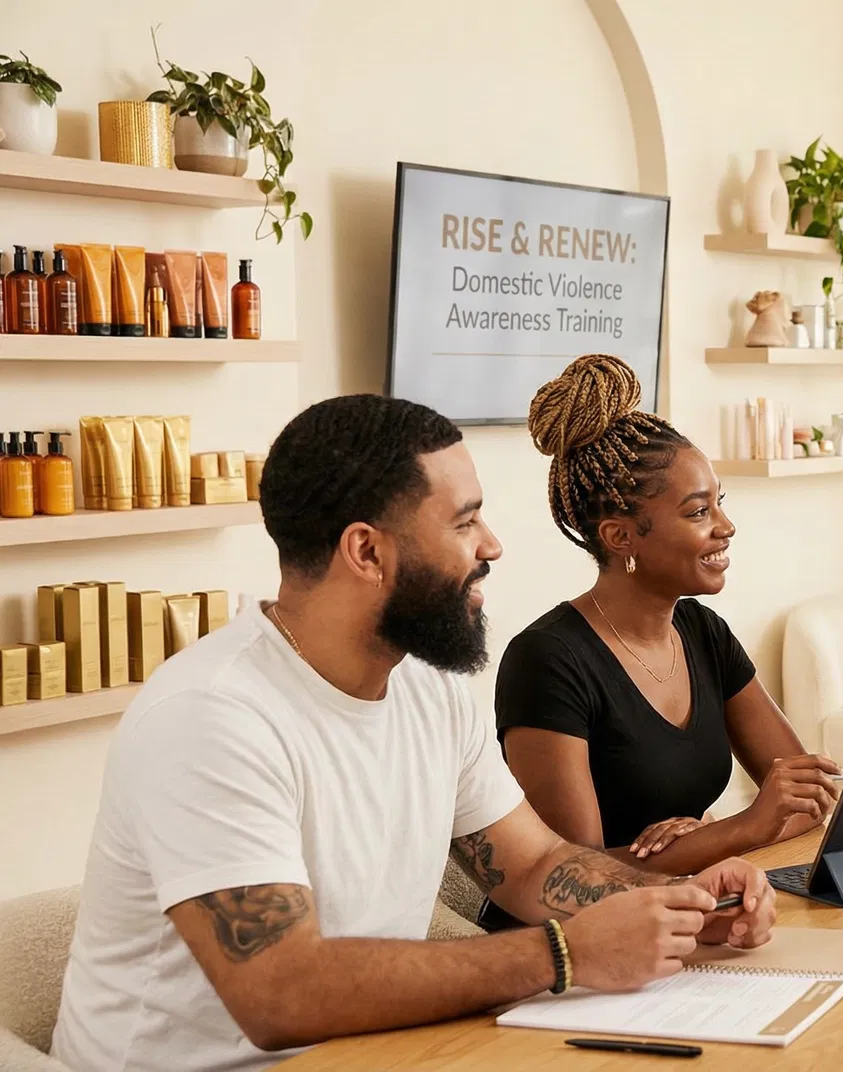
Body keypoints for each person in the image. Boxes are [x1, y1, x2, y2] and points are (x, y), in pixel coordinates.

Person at [52, 395, 775, 1072]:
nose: (492, 546)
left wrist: (679, 903)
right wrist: (563, 954)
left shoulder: (429, 687)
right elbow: (281, 994)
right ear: (366, 553)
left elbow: (531, 866)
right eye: (464, 523)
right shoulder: (210, 718)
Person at [485, 356, 838, 932]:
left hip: (679, 915)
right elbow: (570, 877)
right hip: (566, 949)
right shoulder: (547, 661)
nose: (725, 526)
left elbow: (804, 799)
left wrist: (706, 839)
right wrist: (739, 829)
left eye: (720, 503)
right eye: (699, 511)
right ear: (621, 537)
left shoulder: (702, 631)